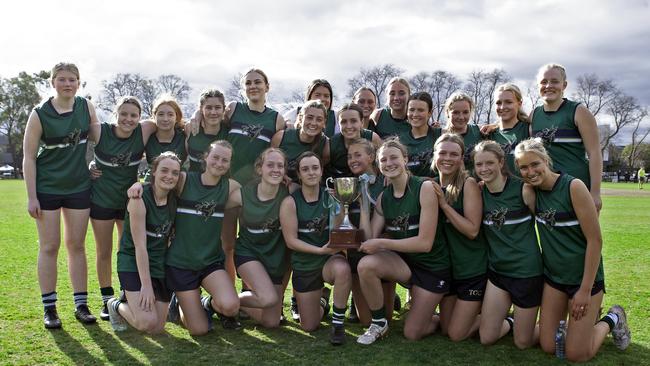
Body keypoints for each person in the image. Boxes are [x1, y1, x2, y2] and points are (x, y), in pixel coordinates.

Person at [515, 138, 630, 362]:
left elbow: (595, 240)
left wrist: (585, 290)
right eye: (524, 167)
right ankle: (579, 329)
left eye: (535, 164)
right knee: (549, 346)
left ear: (546, 160)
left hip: (584, 279)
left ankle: (612, 318)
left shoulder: (573, 186)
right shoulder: (530, 192)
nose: (530, 171)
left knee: (577, 354)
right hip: (554, 279)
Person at [131, 141, 241, 335]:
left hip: (210, 262)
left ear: (230, 164)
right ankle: (180, 303)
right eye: (215, 157)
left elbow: (258, 193)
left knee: (231, 307)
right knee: (199, 330)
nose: (219, 163)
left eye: (225, 160)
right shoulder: (184, 180)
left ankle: (206, 303)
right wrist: (137, 185)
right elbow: (159, 179)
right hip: (180, 263)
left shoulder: (230, 186)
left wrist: (286, 184)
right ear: (205, 157)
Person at [23, 62, 101, 328]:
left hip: (79, 186)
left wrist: (95, 164)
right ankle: (50, 308)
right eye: (62, 79)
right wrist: (31, 196)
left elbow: (100, 138)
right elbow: (28, 158)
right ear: (53, 82)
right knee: (49, 246)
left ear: (79, 83)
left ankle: (81, 304)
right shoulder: (39, 114)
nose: (67, 84)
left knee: (76, 246)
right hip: (47, 188)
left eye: (72, 80)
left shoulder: (86, 107)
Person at [356, 140, 450, 344]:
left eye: (393, 157)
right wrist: (363, 206)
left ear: (405, 159)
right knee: (366, 265)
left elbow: (424, 243)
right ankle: (379, 323)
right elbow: (370, 238)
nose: (388, 163)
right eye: (383, 160)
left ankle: (439, 317)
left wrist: (383, 244)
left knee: (413, 333)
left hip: (432, 267)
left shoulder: (424, 188)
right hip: (406, 265)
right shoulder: (383, 197)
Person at [90, 96, 156, 321]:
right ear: (116, 114)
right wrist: (86, 165)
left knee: (126, 250)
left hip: (129, 201)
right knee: (103, 251)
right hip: (102, 200)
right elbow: (73, 143)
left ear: (140, 117)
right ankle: (106, 299)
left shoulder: (145, 130)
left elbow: (172, 120)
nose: (128, 119)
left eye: (133, 115)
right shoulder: (100, 131)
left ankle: (125, 293)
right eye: (124, 114)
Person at [473, 141, 542, 349]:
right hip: (498, 273)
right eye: (479, 165)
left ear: (501, 162)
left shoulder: (523, 190)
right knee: (486, 338)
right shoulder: (479, 192)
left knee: (523, 343)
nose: (484, 169)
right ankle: (514, 321)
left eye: (489, 163)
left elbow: (546, 225)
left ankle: (557, 326)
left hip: (526, 273)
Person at [279, 152, 352, 345]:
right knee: (309, 326)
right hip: (305, 263)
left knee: (343, 268)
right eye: (305, 169)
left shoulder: (331, 198)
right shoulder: (290, 202)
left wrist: (340, 205)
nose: (311, 172)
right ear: (299, 174)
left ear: (321, 172)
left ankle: (338, 324)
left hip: (329, 260)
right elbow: (291, 241)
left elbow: (339, 230)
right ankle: (322, 301)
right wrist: (319, 250)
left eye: (315, 168)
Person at [107, 152, 181, 333]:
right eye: (164, 170)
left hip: (159, 263)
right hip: (133, 261)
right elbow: (140, 246)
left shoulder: (175, 199)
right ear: (154, 172)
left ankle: (133, 301)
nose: (169, 176)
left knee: (157, 328)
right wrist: (145, 285)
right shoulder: (139, 199)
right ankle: (115, 305)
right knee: (146, 323)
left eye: (174, 173)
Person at [432, 133, 487, 342]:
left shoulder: (469, 183)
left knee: (456, 334)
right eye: (442, 153)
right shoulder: (432, 185)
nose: (447, 158)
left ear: (462, 158)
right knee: (446, 329)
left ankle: (500, 318)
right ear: (434, 156)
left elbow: (472, 230)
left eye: (454, 154)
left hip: (472, 269)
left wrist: (445, 206)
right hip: (449, 270)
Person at [531, 63, 603, 211]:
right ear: (538, 85)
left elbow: (595, 153)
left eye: (555, 81)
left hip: (577, 187)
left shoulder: (579, 112)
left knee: (583, 234)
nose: (548, 85)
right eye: (544, 82)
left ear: (564, 85)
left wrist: (595, 193)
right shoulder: (533, 115)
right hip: (546, 190)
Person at [233, 148, 290, 328]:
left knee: (271, 322)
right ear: (260, 169)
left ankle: (232, 304)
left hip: (274, 258)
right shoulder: (243, 194)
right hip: (248, 253)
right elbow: (216, 205)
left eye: (280, 166)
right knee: (268, 298)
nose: (275, 169)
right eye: (270, 165)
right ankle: (220, 301)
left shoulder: (289, 193)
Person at [344, 138, 397, 325]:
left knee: (387, 318)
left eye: (358, 155)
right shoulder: (348, 184)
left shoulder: (387, 181)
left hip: (383, 250)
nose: (352, 160)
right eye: (350, 156)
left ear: (371, 157)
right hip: (356, 250)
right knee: (366, 321)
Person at [271, 100, 330, 182]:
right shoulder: (281, 137)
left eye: (319, 119)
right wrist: (281, 175)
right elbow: (268, 163)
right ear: (301, 118)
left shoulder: (325, 145)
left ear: (324, 122)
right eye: (309, 118)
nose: (313, 123)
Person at [324, 103, 381, 179]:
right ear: (338, 124)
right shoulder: (331, 145)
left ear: (362, 122)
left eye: (353, 121)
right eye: (343, 122)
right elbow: (321, 169)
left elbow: (383, 161)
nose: (349, 126)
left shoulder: (372, 138)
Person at [487, 83, 530, 177]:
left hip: (524, 189)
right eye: (498, 103)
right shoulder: (488, 134)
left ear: (519, 104)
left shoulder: (528, 129)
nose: (502, 107)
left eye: (508, 102)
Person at [143, 95, 187, 181]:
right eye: (161, 114)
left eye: (170, 115)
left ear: (177, 117)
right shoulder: (148, 137)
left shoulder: (184, 136)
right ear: (154, 116)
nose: (165, 119)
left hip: (179, 185)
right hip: (153, 186)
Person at [399, 92, 442, 177]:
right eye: (411, 110)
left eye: (421, 110)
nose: (415, 114)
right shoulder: (400, 142)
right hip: (411, 188)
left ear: (430, 113)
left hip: (438, 188)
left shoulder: (441, 136)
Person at [186, 89, 229, 172]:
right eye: (208, 108)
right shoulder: (190, 128)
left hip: (219, 183)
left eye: (217, 107)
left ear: (224, 109)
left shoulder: (228, 131)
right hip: (192, 182)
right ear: (201, 109)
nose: (213, 112)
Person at [443, 92, 484, 173]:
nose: (461, 117)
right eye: (456, 112)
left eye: (465, 112)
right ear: (447, 112)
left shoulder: (480, 131)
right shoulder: (441, 135)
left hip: (477, 183)